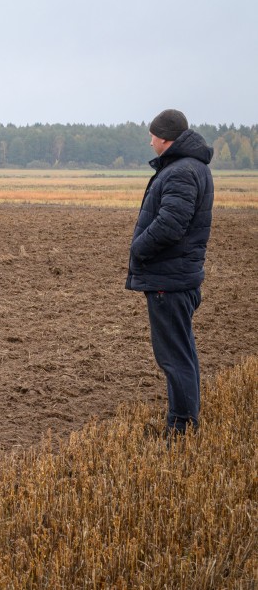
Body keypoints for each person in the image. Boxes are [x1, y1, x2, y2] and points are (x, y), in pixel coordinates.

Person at [126, 109, 214, 435]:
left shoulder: (180, 172)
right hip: (179, 277)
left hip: (169, 280)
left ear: (164, 138)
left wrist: (138, 247)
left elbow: (170, 225)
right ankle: (186, 421)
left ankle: (180, 428)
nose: (149, 141)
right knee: (183, 353)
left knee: (174, 358)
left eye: (152, 135)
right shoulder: (193, 168)